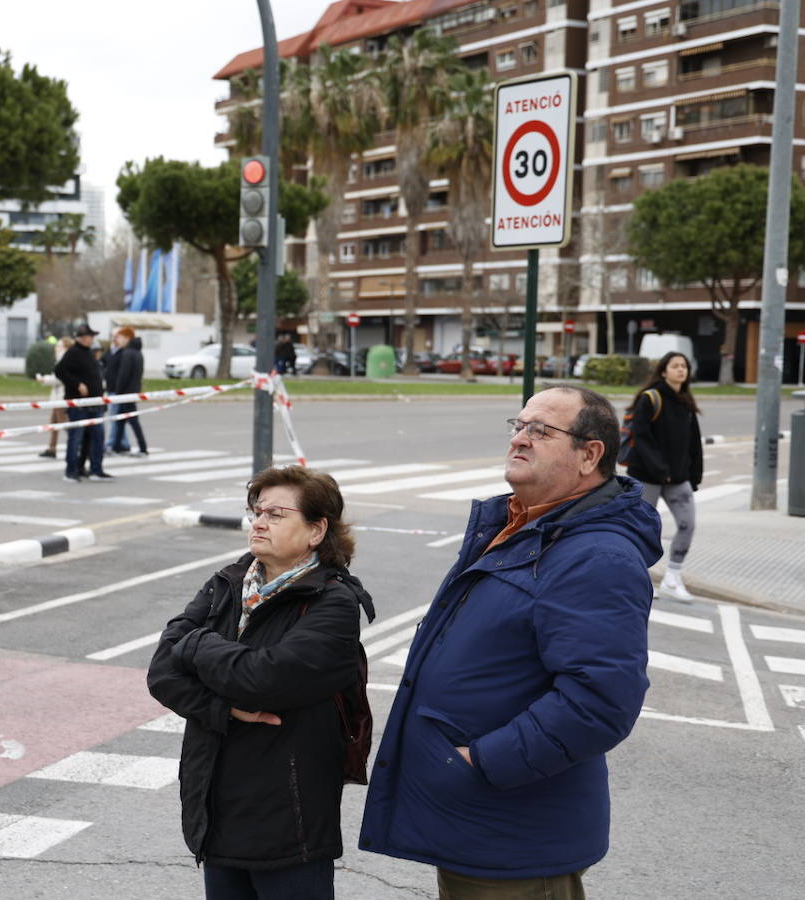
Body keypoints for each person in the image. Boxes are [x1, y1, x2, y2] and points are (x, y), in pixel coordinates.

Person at [359, 386, 662, 899]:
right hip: (483, 826)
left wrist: (482, 762)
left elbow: (600, 702)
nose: (520, 439)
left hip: (514, 838)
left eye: (541, 431)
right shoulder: (523, 526)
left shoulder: (596, 556)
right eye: (518, 426)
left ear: (590, 455)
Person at [148, 465, 373, 899]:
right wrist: (223, 707)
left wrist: (195, 646)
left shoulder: (332, 602)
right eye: (257, 511)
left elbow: (266, 678)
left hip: (288, 820)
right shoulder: (230, 582)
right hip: (216, 808)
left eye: (276, 513)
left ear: (315, 530)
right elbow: (162, 672)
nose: (259, 522)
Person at [625, 352, 703, 603]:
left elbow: (694, 442)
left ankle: (672, 577)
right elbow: (642, 437)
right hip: (647, 475)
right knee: (643, 529)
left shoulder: (685, 401)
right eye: (676, 366)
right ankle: (639, 577)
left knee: (687, 524)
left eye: (684, 366)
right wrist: (661, 470)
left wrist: (694, 474)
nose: (681, 370)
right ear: (663, 371)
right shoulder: (651, 398)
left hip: (677, 478)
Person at [53, 323, 112, 482]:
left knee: (96, 437)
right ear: (82, 337)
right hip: (79, 404)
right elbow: (59, 370)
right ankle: (70, 471)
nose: (92, 339)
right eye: (90, 336)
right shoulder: (73, 352)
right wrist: (77, 384)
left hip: (95, 403)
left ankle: (95, 469)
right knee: (76, 437)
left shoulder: (88, 353)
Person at [108, 327, 148, 456]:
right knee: (120, 421)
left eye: (119, 337)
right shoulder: (138, 352)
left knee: (133, 422)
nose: (117, 340)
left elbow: (123, 375)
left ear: (127, 338)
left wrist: (118, 392)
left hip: (126, 393)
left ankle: (143, 448)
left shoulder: (127, 353)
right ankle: (117, 447)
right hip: (133, 391)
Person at [37, 337, 74, 459]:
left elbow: (59, 378)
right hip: (57, 398)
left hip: (61, 398)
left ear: (66, 348)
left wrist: (45, 379)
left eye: (59, 346)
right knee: (53, 424)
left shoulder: (65, 359)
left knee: (64, 425)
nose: (56, 348)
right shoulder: (61, 359)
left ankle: (76, 445)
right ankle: (52, 448)